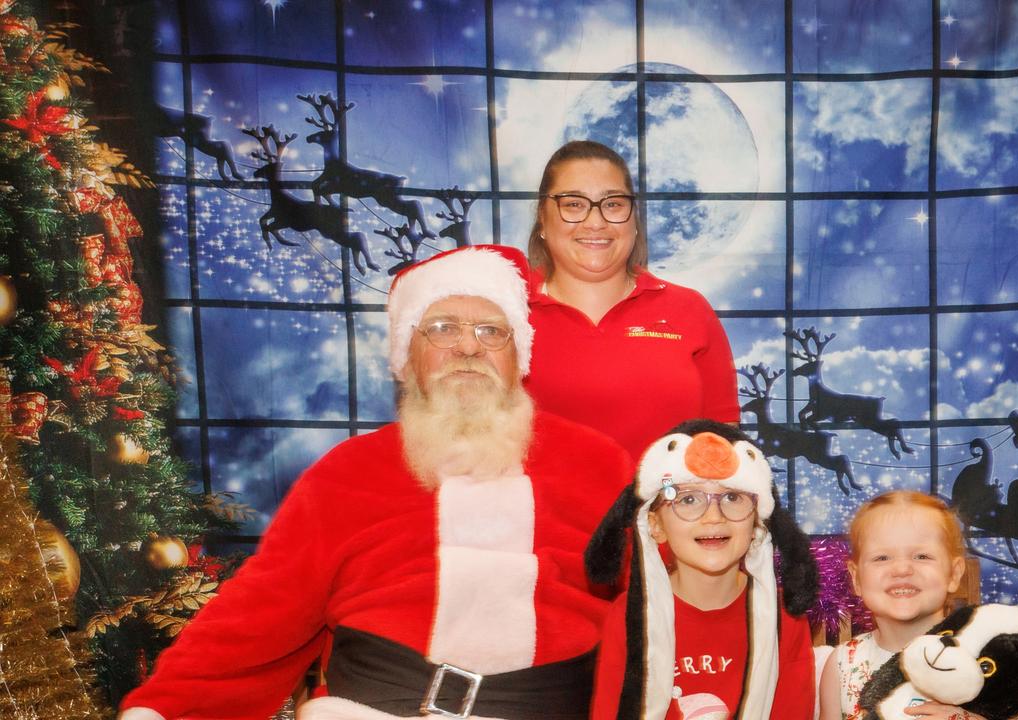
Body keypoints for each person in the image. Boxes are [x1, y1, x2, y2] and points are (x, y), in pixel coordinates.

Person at [118, 245, 634, 720]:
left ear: (519, 356)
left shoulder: (597, 464)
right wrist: (162, 709)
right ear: (405, 361)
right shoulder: (347, 472)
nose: (468, 348)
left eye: (491, 332)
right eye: (442, 328)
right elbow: (260, 616)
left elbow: (658, 604)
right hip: (378, 705)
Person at [585, 419, 817, 720]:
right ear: (655, 526)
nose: (713, 516)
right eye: (688, 499)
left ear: (757, 521)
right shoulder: (630, 615)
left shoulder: (783, 618)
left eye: (732, 497)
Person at [523, 140, 739, 460]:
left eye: (613, 204)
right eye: (573, 204)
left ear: (633, 219)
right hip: (537, 511)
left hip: (663, 510)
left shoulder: (690, 311)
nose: (595, 222)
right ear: (543, 217)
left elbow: (724, 448)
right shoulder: (502, 314)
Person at [818, 491, 989, 720]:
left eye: (921, 556)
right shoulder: (843, 664)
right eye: (882, 558)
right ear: (856, 579)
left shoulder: (983, 656)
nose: (901, 569)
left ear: (954, 574)